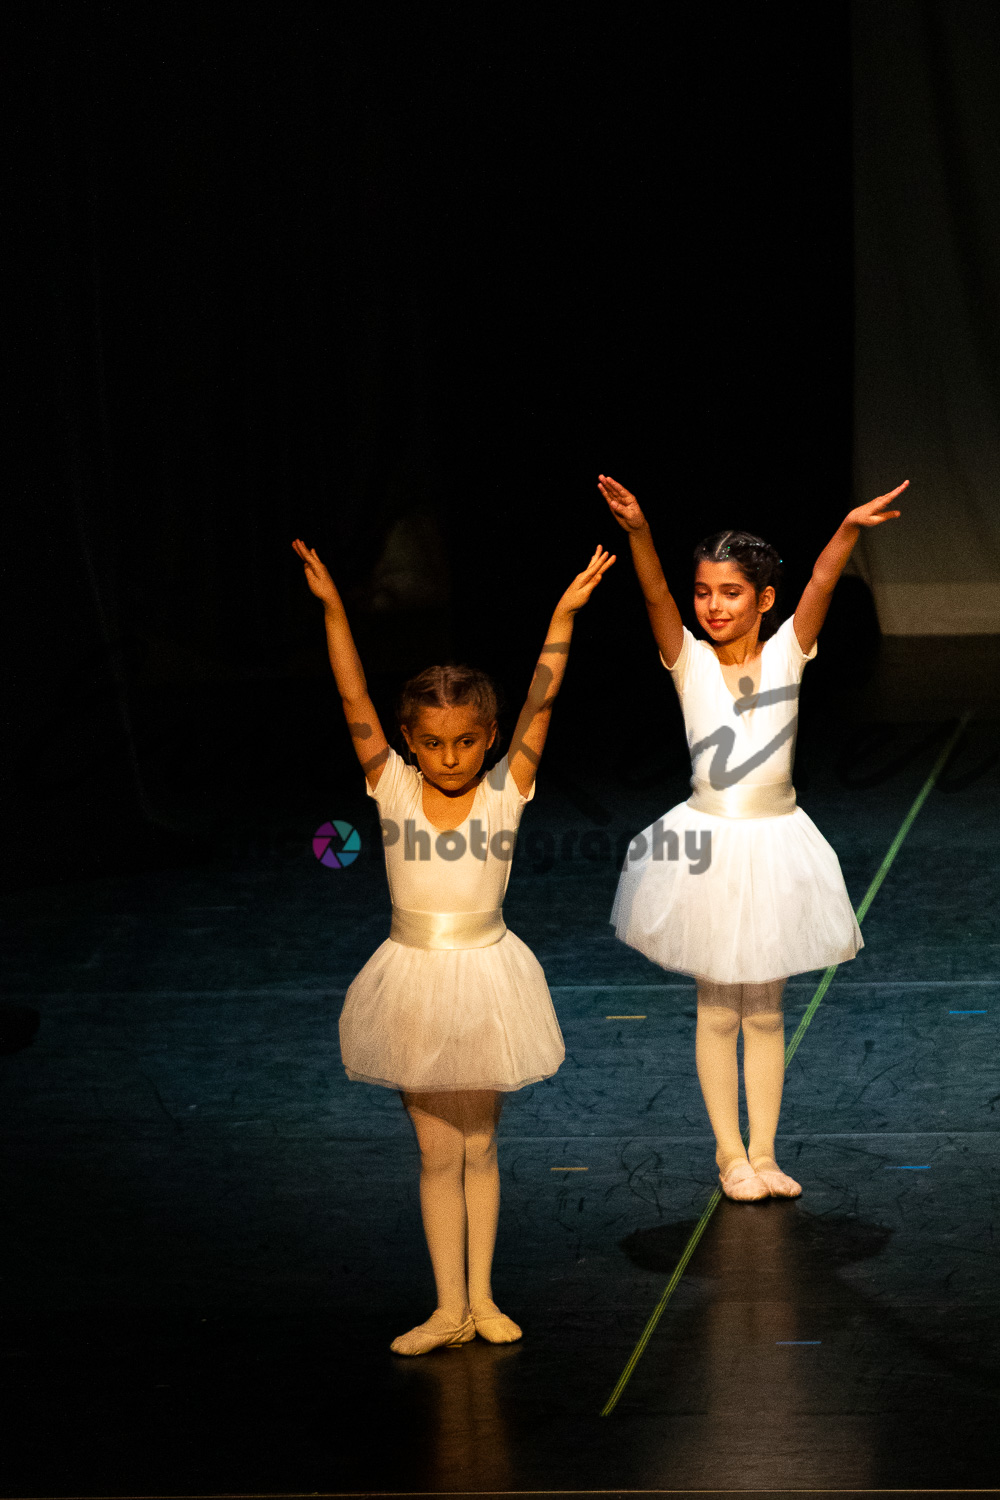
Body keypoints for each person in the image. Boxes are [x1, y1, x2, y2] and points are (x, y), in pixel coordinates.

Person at [292, 536, 615, 1351]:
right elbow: (351, 691)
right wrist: (334, 610)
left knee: (480, 1146)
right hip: (412, 980)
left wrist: (563, 615)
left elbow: (543, 699)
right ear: (408, 740)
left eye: (465, 741)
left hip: (488, 981)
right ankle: (446, 1308)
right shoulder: (392, 787)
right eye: (432, 743)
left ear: (490, 736)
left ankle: (483, 1299)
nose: (448, 757)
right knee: (438, 1153)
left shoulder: (506, 789)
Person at [599, 474, 907, 1202]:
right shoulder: (689, 661)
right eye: (705, 592)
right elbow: (654, 595)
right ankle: (729, 1154)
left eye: (731, 593)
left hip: (774, 845)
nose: (714, 606)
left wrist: (848, 530)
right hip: (708, 846)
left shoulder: (788, 654)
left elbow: (822, 582)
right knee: (718, 1008)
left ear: (764, 600)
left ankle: (764, 1153)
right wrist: (639, 531)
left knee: (765, 1010)